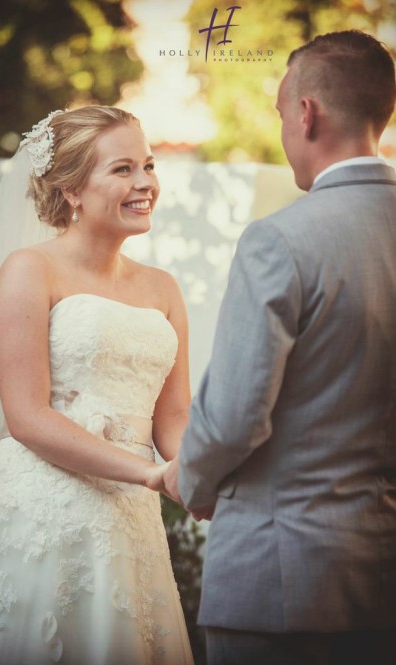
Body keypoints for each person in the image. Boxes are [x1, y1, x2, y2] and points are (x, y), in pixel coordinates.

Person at [164, 30, 396, 665]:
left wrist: (189, 478)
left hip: (281, 581)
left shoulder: (279, 241)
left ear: (305, 112)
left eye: (279, 114)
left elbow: (235, 414)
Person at [0, 106, 194, 665]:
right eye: (122, 169)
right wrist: (152, 474)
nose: (144, 184)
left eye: (149, 166)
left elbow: (174, 420)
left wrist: (200, 474)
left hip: (132, 515)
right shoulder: (28, 271)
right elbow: (28, 418)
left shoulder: (163, 289)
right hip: (43, 508)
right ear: (70, 190)